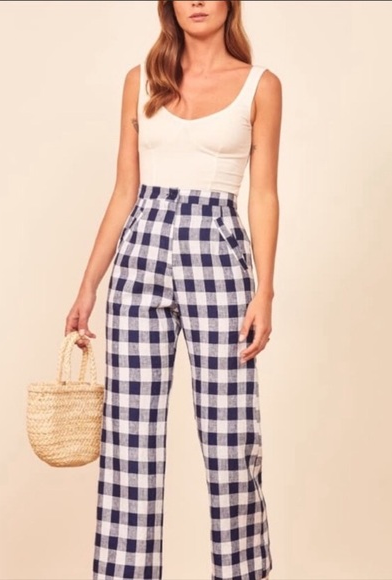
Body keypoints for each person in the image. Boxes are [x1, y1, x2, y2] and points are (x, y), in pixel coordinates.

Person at [65, 1, 281, 578]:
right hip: (141, 254)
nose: (197, 2)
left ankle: (241, 572)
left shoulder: (260, 85)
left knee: (231, 438)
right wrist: (88, 285)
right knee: (129, 440)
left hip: (219, 253)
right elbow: (124, 190)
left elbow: (263, 194)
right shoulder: (141, 80)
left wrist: (265, 290)